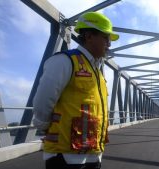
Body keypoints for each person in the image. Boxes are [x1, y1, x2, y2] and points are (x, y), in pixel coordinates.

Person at [32, 12, 119, 169]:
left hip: (93, 153)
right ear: (88, 36)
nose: (109, 44)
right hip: (66, 156)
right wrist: (45, 127)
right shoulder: (64, 61)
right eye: (105, 38)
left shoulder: (97, 71)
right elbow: (42, 101)